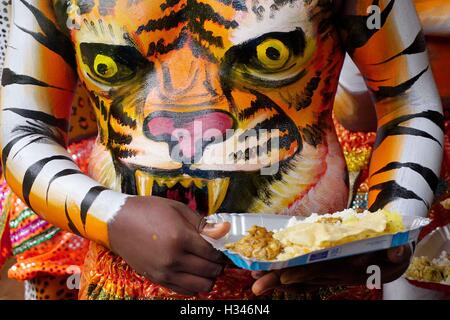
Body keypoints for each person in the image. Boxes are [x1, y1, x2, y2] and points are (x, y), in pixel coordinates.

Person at [0, 0, 443, 300]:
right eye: (110, 64)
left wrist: (385, 231)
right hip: (124, 280)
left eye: (272, 54)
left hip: (316, 279)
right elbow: (23, 128)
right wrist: (111, 216)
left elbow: (408, 105)